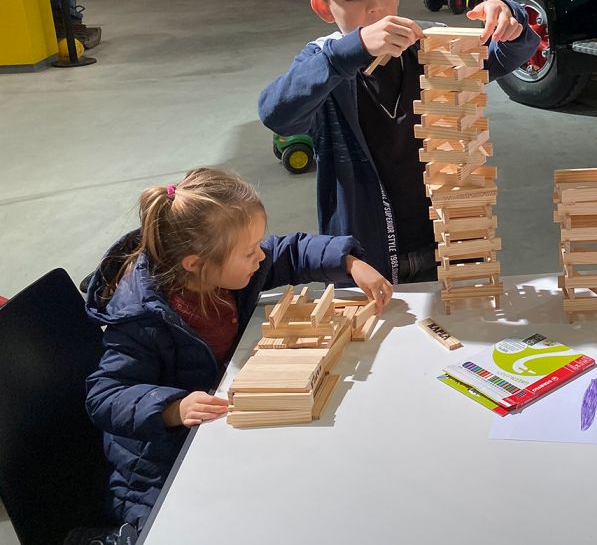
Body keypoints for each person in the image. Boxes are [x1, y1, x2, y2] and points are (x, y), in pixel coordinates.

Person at [84, 167, 389, 531]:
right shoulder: (141, 319)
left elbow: (287, 251)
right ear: (196, 265)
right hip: (156, 468)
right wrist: (171, 408)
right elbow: (105, 394)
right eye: (248, 252)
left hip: (219, 428)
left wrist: (348, 263)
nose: (260, 256)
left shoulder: (223, 268)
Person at [258, 0, 539, 284]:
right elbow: (277, 114)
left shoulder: (428, 45)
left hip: (445, 238)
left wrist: (508, 17)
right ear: (324, 9)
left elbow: (505, 55)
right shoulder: (324, 61)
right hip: (365, 252)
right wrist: (352, 50)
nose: (375, 8)